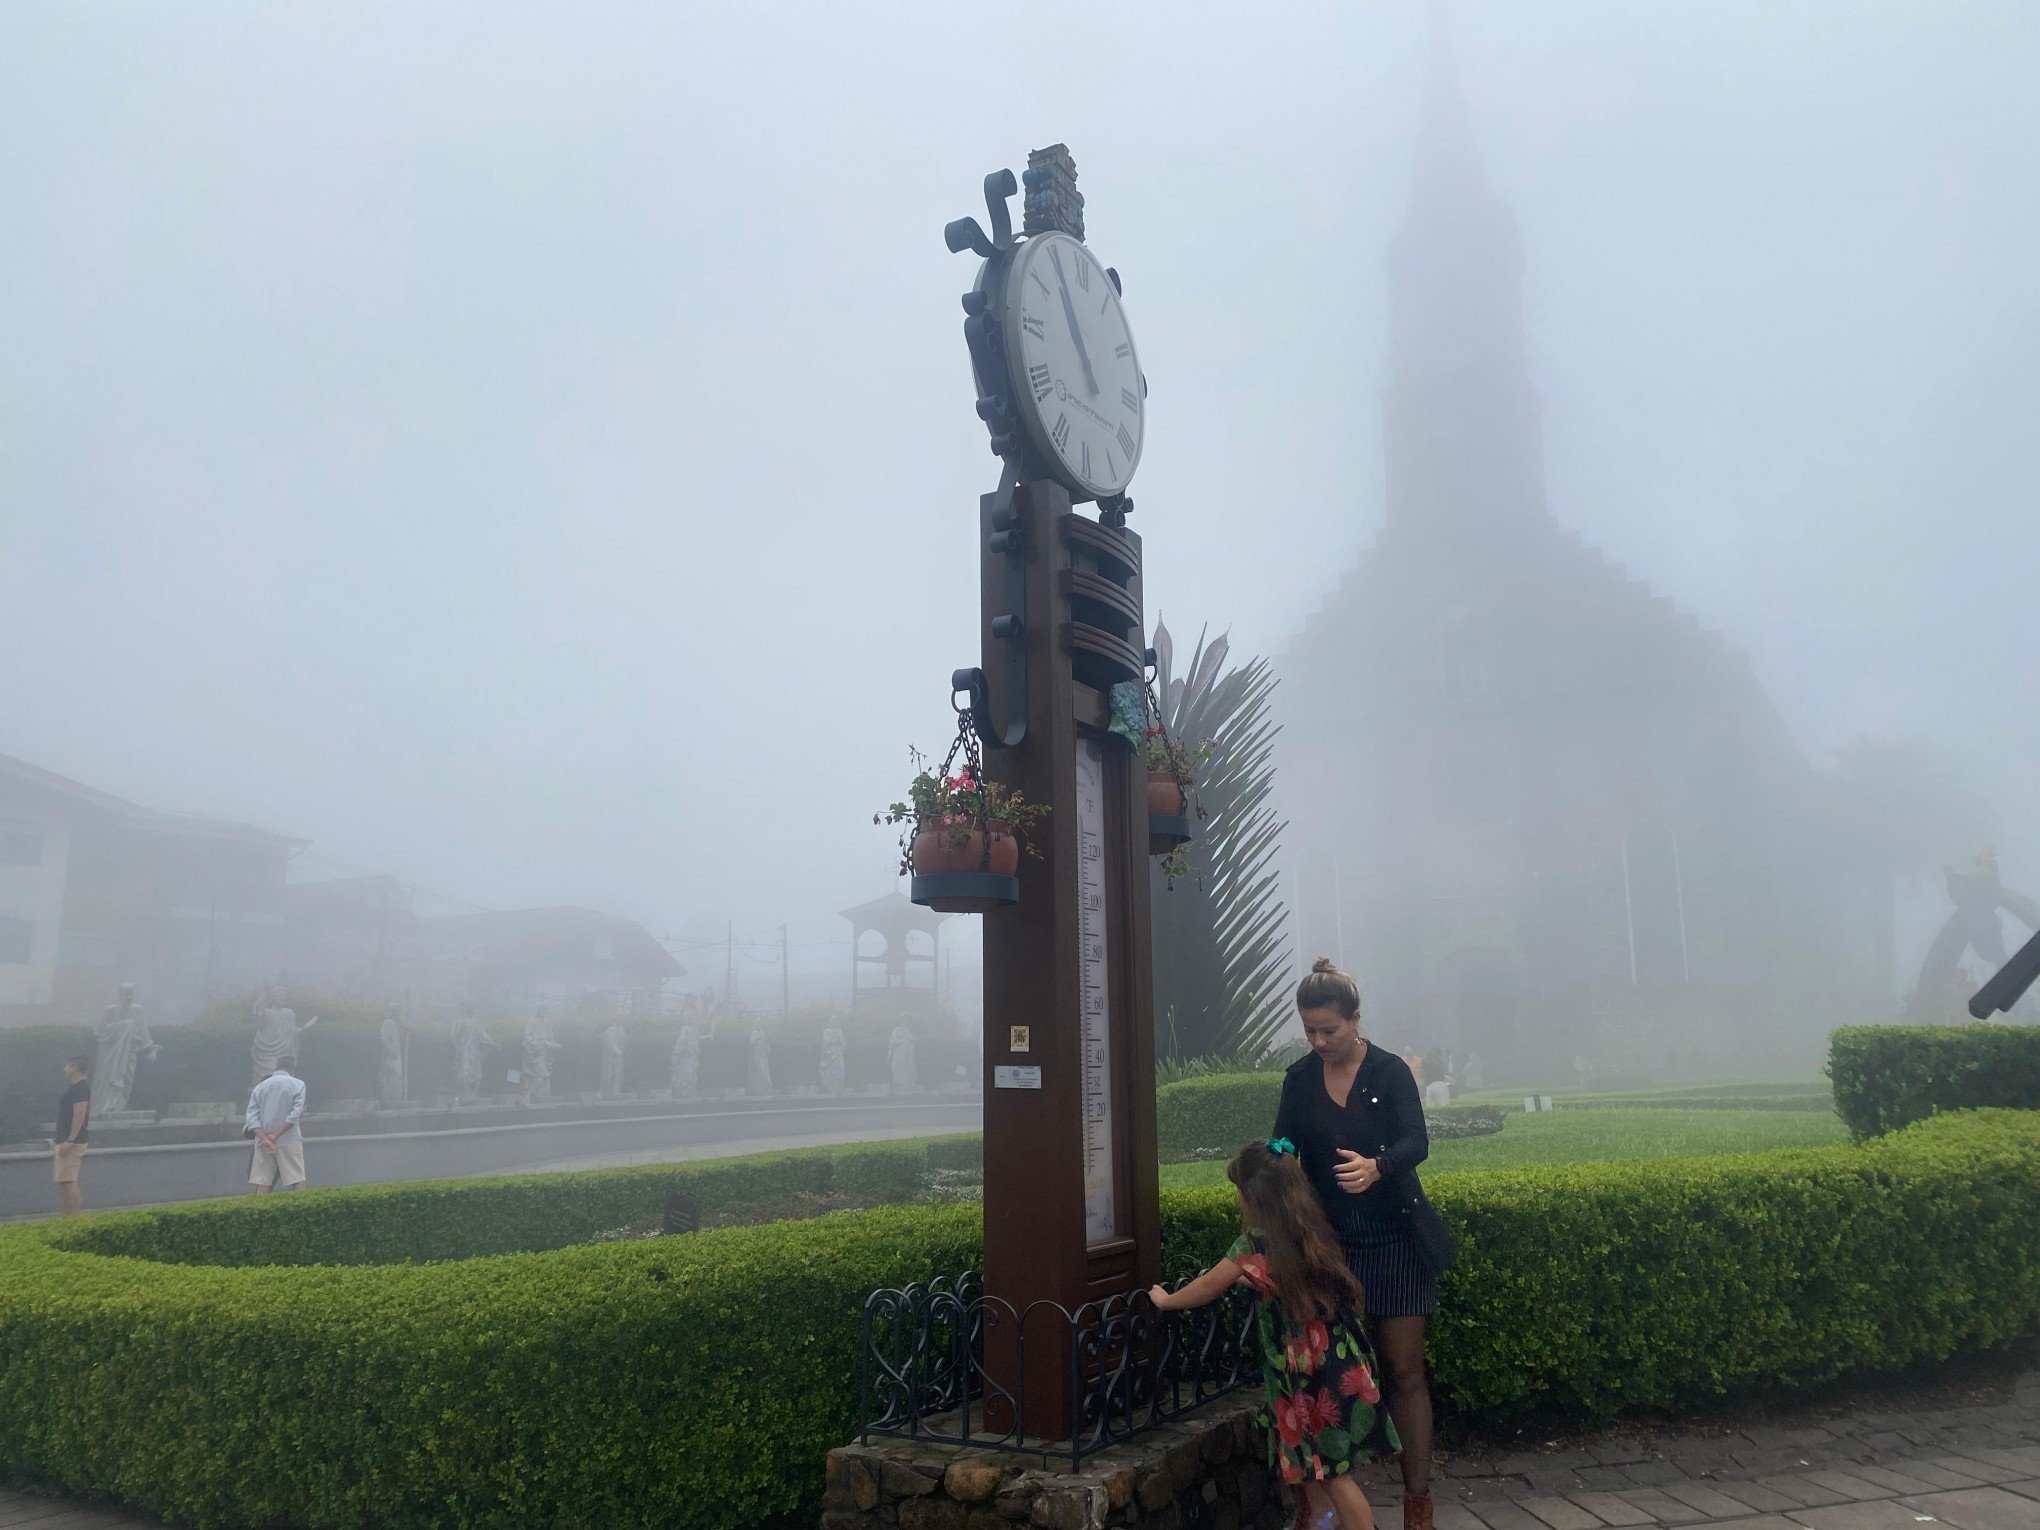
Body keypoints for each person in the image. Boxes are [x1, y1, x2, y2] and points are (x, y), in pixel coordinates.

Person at [1149, 1139, 1397, 1529]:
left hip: (1306, 1372)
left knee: (1334, 1474)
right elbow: (1288, 1281)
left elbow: (1207, 1287)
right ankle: (1318, 1523)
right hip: (1340, 1357)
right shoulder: (1308, 1226)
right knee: (1319, 1469)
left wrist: (1166, 1300)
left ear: (1253, 1197)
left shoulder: (1254, 1243)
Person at [1273, 958, 1441, 1530]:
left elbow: (1416, 1141)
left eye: (1330, 1030)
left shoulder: (1390, 1072)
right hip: (1330, 1250)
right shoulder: (1299, 1081)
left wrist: (1378, 1166)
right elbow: (1284, 1144)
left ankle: (1417, 1500)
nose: (1319, 1041)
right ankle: (1322, 1504)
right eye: (1310, 1031)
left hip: (1395, 1237)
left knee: (1403, 1370)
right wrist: (1270, 1165)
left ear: (1355, 1020)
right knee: (1325, 1381)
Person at [91, 983, 159, 1117]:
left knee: (127, 1079)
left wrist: (151, 1048)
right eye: (126, 994)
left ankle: (120, 1105)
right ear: (120, 995)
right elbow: (99, 1030)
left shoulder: (137, 1010)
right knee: (112, 1078)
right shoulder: (111, 1010)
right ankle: (109, 1105)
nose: (129, 997)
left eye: (131, 994)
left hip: (129, 1051)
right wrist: (125, 1026)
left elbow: (143, 1030)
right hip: (112, 1053)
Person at [246, 1054, 308, 1193]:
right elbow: (294, 1115)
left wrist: (266, 1139)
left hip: (263, 1140)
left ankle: (260, 1212)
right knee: (297, 1178)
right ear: (291, 1068)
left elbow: (252, 1117)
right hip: (289, 1138)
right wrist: (275, 1135)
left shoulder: (260, 1087)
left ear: (277, 1066)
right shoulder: (298, 1084)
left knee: (263, 1181)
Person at [53, 1055, 91, 1216]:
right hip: (65, 1140)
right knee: (64, 1181)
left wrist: (70, 1140)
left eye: (67, 1066)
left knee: (68, 1180)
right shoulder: (77, 1088)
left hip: (70, 1142)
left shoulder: (80, 1089)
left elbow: (79, 1114)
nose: (65, 1069)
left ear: (74, 1068)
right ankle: (68, 1218)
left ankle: (73, 1221)